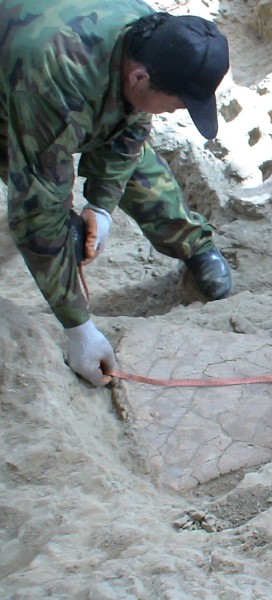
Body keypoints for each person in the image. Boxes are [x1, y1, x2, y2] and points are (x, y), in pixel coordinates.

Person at [0, 0, 234, 386]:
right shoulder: (57, 77)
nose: (178, 112)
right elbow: (38, 210)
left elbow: (130, 131)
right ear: (139, 78)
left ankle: (194, 243)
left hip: (59, 70)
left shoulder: (151, 34)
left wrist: (101, 207)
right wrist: (79, 329)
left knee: (134, 158)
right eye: (177, 103)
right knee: (48, 212)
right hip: (19, 85)